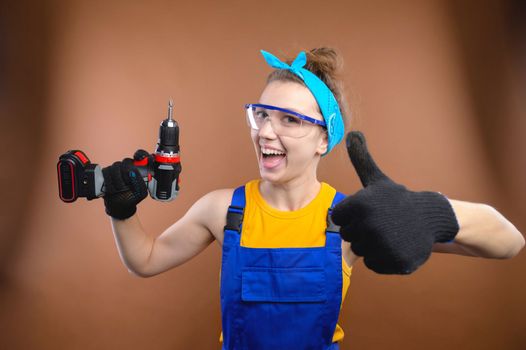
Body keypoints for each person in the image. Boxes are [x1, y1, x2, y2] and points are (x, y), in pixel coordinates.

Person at [102, 48, 525, 350]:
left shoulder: (354, 219)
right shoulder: (222, 210)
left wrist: (427, 212)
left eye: (290, 120)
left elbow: (510, 241)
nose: (266, 131)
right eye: (262, 114)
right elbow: (145, 260)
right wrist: (121, 209)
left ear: (325, 138)